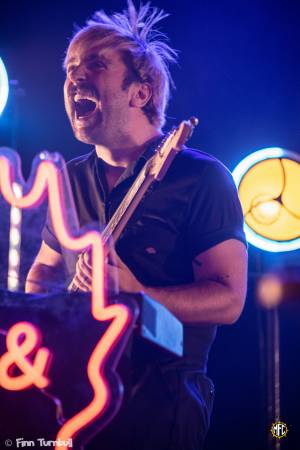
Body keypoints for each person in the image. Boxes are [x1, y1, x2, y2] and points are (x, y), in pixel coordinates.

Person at [26, 2, 248, 449]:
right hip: (69, 397)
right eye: (70, 68)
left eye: (95, 64)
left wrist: (137, 295)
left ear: (140, 93)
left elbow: (229, 299)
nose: (74, 78)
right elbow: (43, 272)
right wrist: (54, 313)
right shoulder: (66, 179)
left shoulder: (201, 177)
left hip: (161, 405)